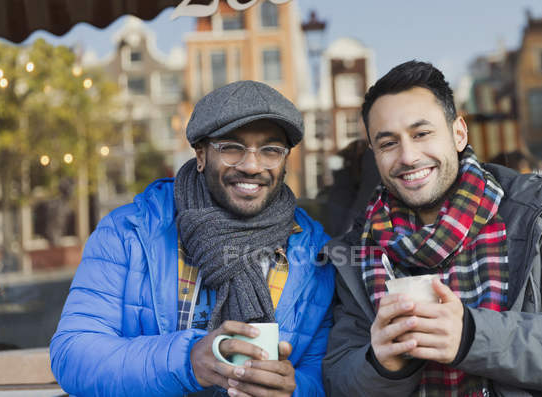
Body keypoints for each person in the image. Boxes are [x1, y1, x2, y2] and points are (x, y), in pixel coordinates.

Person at [321, 60, 542, 396]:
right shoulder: (356, 253)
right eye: (388, 143)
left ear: (458, 133)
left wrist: (471, 336)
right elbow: (339, 379)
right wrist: (380, 365)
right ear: (375, 154)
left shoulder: (540, 215)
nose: (407, 156)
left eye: (422, 133)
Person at [50, 80, 335, 397]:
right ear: (200, 155)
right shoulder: (128, 231)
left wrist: (293, 390)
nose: (252, 165)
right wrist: (187, 361)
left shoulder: (314, 252)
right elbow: (72, 354)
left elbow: (324, 373)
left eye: (270, 150)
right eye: (231, 147)